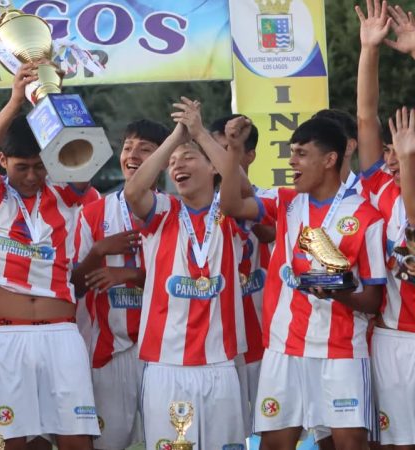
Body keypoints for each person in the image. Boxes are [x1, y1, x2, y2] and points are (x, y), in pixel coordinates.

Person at [217, 113, 386, 448]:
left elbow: (372, 301)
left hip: (341, 353)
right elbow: (231, 204)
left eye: (300, 153)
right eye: (291, 152)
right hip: (285, 349)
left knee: (348, 445)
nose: (291, 161)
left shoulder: (367, 216)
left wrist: (336, 293)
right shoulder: (287, 203)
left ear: (329, 159)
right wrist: (234, 151)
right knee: (275, 445)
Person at [0, 63, 99, 450]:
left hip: (61, 335)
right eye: (21, 167)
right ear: (3, 162)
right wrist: (14, 103)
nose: (31, 177)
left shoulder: (64, 193)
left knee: (77, 443)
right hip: (5, 336)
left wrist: (49, 98)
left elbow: (82, 154)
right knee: (10, 444)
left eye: (40, 167)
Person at [122, 99, 247, 449]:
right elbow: (133, 190)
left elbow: (237, 180)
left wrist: (200, 133)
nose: (178, 164)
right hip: (166, 366)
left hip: (219, 365)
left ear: (212, 169)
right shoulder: (162, 210)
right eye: (173, 163)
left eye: (188, 158)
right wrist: (178, 136)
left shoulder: (230, 210)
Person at [72, 119, 169, 450]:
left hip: (163, 351)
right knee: (108, 444)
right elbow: (73, 286)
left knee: (170, 440)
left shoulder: (175, 211)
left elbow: (188, 282)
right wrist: (99, 251)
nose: (133, 155)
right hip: (107, 352)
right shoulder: (92, 214)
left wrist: (129, 275)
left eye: (145, 149)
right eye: (128, 147)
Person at [356, 2, 415, 446]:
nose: (391, 156)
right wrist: (369, 50)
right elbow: (366, 116)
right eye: (391, 149)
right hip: (392, 339)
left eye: (403, 148)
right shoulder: (380, 189)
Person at [209, 113, 270, 438]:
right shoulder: (192, 205)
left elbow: (268, 231)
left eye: (230, 149)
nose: (222, 159)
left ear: (249, 155)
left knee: (271, 433)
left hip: (261, 336)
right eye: (215, 150)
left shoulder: (264, 200)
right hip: (215, 342)